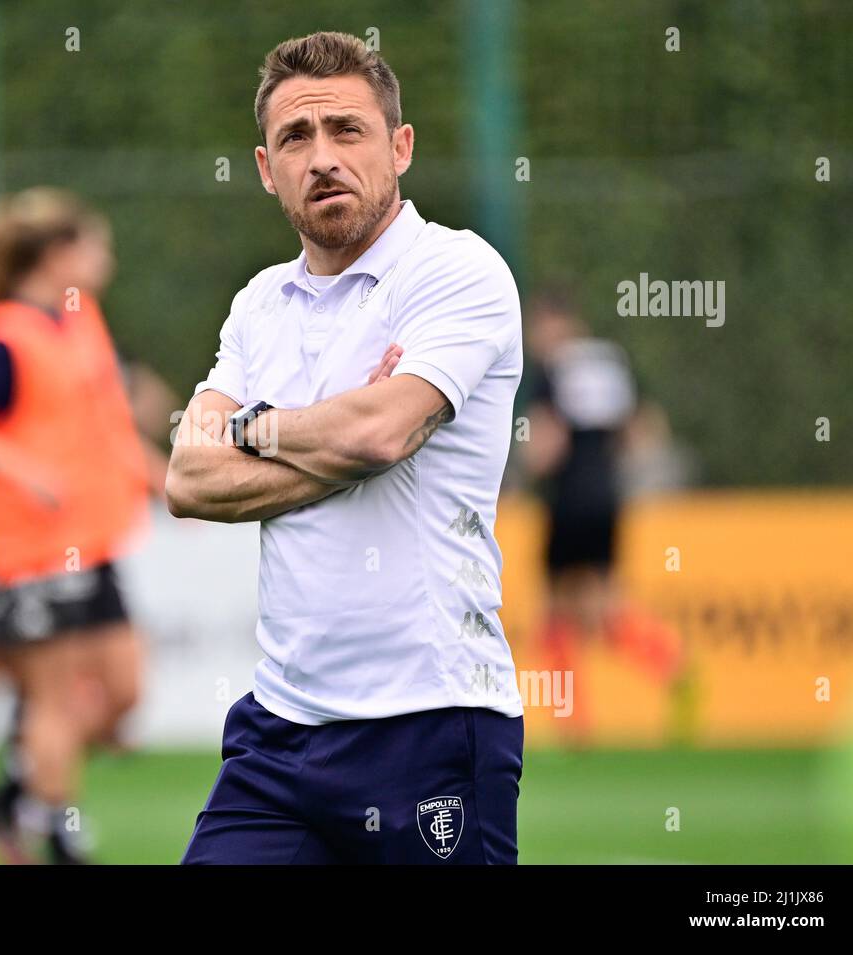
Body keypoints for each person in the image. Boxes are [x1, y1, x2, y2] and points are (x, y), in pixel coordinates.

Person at [167, 32, 524, 864]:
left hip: (431, 722)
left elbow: (381, 429)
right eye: (297, 137)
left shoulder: (458, 270)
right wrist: (348, 437)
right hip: (280, 735)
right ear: (265, 167)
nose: (322, 156)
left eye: (347, 130)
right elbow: (187, 477)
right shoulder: (259, 302)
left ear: (400, 146)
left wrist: (256, 427)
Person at [0, 188, 152, 864]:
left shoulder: (81, 321)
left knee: (122, 695)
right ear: (58, 254)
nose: (105, 258)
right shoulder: (4, 335)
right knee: (51, 699)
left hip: (95, 536)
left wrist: (160, 477)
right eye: (94, 244)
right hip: (34, 546)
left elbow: (104, 426)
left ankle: (9, 797)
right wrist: (25, 472)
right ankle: (53, 829)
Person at [521, 287, 686, 744]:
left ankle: (573, 723)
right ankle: (673, 666)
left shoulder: (552, 370)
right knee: (605, 608)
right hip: (608, 499)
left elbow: (545, 448)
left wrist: (519, 468)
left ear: (555, 324)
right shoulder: (610, 361)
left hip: (567, 501)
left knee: (555, 610)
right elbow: (645, 429)